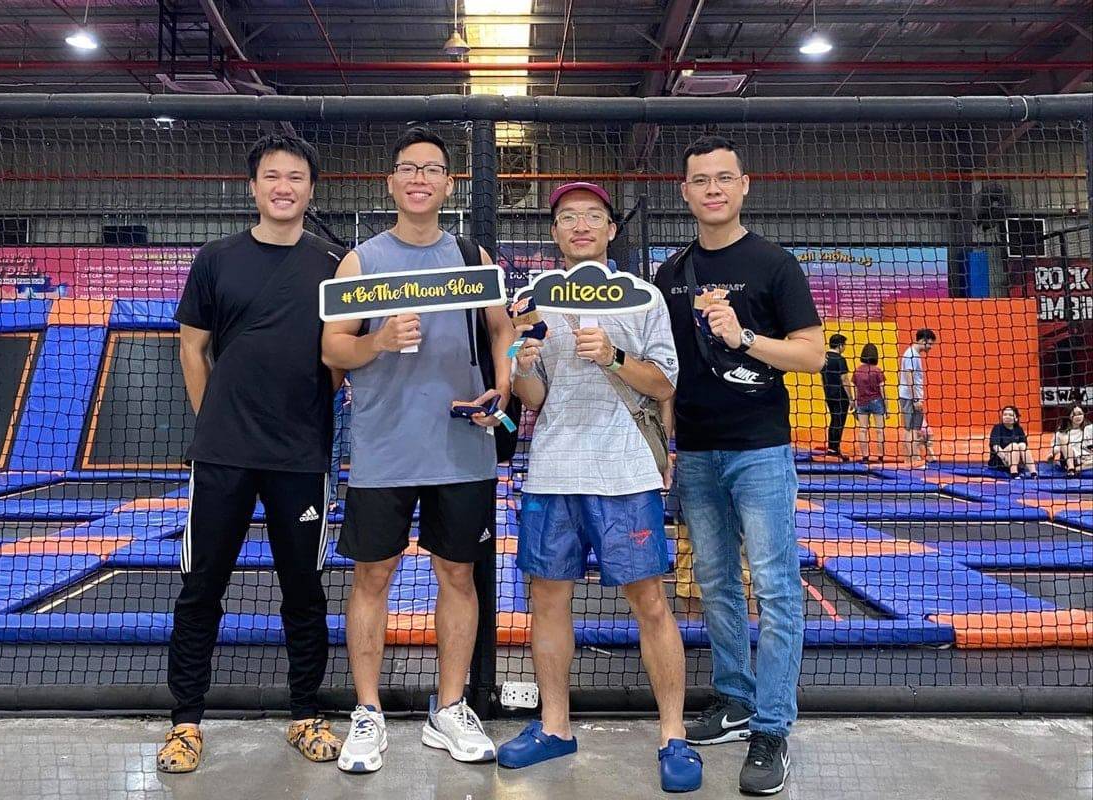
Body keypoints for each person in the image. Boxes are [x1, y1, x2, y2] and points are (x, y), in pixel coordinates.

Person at [495, 182, 702, 793]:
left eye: (592, 216)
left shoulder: (642, 298)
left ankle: (674, 736)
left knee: (652, 603)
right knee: (547, 601)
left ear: (611, 229)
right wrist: (524, 362)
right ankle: (554, 726)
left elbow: (664, 384)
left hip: (625, 474)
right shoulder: (534, 299)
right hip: (554, 471)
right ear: (555, 232)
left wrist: (612, 355)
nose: (579, 225)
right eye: (566, 217)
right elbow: (535, 400)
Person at [321, 127, 515, 774]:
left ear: (448, 185)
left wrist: (504, 385)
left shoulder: (470, 255)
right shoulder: (361, 262)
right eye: (408, 168)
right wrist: (374, 343)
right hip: (384, 450)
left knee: (456, 576)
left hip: (461, 447)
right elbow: (332, 351)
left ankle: (450, 707)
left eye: (432, 169)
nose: (420, 178)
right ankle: (369, 712)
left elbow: (502, 332)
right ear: (392, 182)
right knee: (372, 577)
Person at [158, 133, 347, 773]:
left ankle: (306, 714)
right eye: (272, 176)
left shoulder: (333, 264)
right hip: (223, 454)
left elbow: (342, 354)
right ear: (253, 186)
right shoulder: (215, 258)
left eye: (296, 176)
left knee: (304, 590)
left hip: (301, 454)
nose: (284, 186)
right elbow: (192, 346)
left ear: (310, 189)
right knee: (200, 587)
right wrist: (213, 420)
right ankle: (185, 723)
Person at [654, 135, 825, 796]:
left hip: (759, 450)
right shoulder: (672, 273)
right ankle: (734, 700)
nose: (714, 190)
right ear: (687, 192)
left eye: (724, 178)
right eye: (701, 180)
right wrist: (664, 446)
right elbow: (667, 370)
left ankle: (773, 727)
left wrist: (745, 338)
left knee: (778, 588)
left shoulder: (776, 265)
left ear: (744, 185)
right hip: (696, 450)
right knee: (717, 581)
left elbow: (812, 356)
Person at [897, 328, 938, 466]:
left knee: (914, 429)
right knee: (911, 429)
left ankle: (910, 459)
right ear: (923, 341)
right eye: (930, 344)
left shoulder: (913, 354)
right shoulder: (911, 355)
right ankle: (913, 460)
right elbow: (909, 376)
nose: (931, 347)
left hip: (910, 396)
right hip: (910, 397)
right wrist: (915, 399)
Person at [821, 333, 854, 460]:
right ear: (840, 345)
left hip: (829, 394)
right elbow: (844, 379)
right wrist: (851, 398)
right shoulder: (840, 359)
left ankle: (832, 447)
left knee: (833, 420)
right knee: (839, 422)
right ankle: (834, 449)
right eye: (844, 345)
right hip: (840, 395)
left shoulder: (824, 357)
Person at [852, 344, 887, 463]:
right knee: (880, 430)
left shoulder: (857, 371)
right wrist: (886, 408)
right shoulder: (877, 371)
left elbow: (855, 389)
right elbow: (883, 390)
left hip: (862, 402)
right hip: (876, 401)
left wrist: (856, 405)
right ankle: (880, 457)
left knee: (862, 430)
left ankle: (865, 456)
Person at [988, 405, 1037, 478]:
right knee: (1014, 445)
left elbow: (1024, 446)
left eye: (1010, 415)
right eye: (1005, 414)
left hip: (1016, 460)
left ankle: (1033, 473)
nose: (1007, 416)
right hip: (1001, 461)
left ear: (1016, 418)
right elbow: (995, 446)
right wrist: (1005, 458)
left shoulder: (1019, 429)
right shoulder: (997, 428)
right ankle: (1014, 473)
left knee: (1022, 445)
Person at [1050, 404, 1092, 477]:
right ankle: (1071, 469)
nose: (1078, 417)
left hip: (1087, 459)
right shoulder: (1061, 431)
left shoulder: (1090, 428)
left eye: (1080, 414)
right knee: (1064, 438)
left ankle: (1078, 469)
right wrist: (1052, 454)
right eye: (1074, 415)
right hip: (1070, 458)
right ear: (1069, 416)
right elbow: (1056, 448)